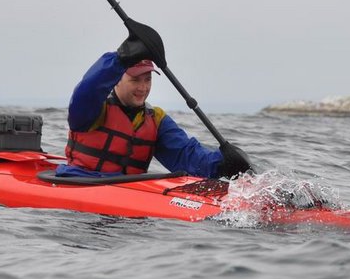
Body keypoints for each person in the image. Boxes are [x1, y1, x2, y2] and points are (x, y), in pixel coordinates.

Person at [56, 22, 252, 179]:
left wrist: (222, 164)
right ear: (116, 79)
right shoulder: (93, 109)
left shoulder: (155, 120)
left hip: (131, 196)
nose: (143, 88)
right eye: (135, 80)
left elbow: (186, 155)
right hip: (81, 183)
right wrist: (121, 58)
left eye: (147, 79)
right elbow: (89, 88)